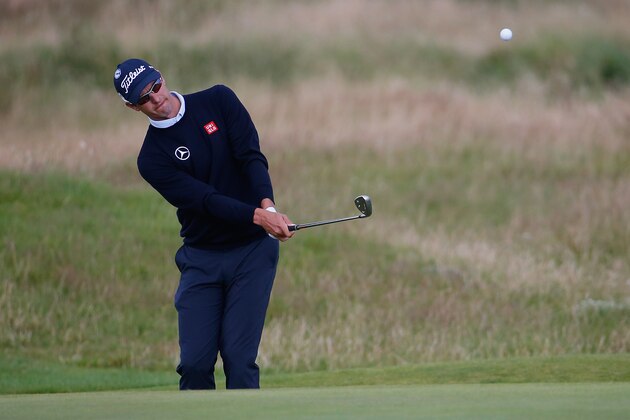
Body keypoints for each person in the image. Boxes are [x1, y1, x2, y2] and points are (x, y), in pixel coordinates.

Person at [113, 58, 294, 390]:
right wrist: (258, 216)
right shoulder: (151, 159)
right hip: (202, 258)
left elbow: (250, 157)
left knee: (239, 361)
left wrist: (268, 204)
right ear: (132, 106)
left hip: (252, 252)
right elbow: (205, 200)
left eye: (156, 87)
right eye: (144, 98)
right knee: (195, 365)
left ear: (162, 78)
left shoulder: (218, 100)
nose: (156, 99)